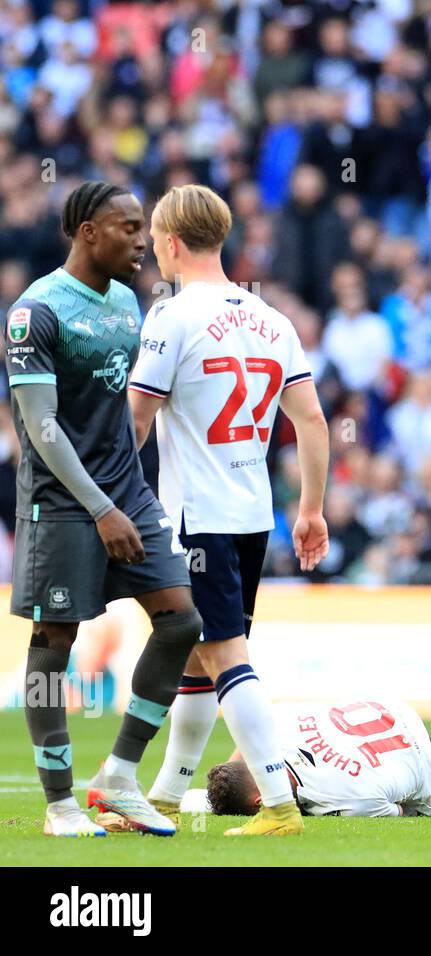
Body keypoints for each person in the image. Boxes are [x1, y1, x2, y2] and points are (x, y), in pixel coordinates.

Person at [125, 184, 331, 836]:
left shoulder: (171, 317)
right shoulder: (272, 320)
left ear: (173, 243)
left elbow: (136, 417)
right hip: (252, 514)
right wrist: (313, 510)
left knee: (223, 655)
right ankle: (161, 799)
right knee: (195, 657)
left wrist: (109, 495)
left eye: (155, 241)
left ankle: (277, 803)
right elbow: (313, 421)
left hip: (198, 515)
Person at [4, 181, 203, 837]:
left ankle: (119, 775)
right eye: (128, 227)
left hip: (127, 492)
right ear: (88, 230)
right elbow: (43, 429)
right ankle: (60, 802)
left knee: (180, 621)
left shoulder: (126, 302)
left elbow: (118, 403)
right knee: (52, 645)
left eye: (144, 227)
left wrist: (128, 494)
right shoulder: (37, 312)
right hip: (62, 503)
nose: (143, 240)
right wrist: (99, 509)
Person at [199, 696, 431, 819]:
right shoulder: (277, 723)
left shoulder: (340, 802)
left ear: (260, 802)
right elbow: (252, 729)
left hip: (426, 761)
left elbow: (403, 812)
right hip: (393, 707)